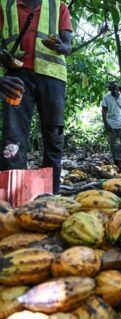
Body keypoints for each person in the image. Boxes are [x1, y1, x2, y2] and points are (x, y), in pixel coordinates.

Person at [0, 0, 72, 194]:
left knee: (53, 138)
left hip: (52, 78)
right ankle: (11, 198)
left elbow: (68, 46)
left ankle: (50, 195)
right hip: (16, 77)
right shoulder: (5, 5)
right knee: (12, 136)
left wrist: (60, 45)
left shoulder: (59, 6)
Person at [102, 80, 121, 164]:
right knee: (113, 143)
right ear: (110, 89)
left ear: (119, 89)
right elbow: (104, 111)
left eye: (116, 88)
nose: (115, 90)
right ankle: (116, 160)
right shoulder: (106, 98)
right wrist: (105, 123)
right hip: (111, 123)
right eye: (113, 89)